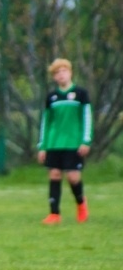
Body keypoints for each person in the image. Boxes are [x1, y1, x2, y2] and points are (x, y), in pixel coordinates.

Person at [37, 58, 92, 224]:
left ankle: (81, 203)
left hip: (74, 143)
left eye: (63, 71)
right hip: (54, 143)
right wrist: (42, 146)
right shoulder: (52, 97)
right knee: (54, 174)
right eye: (57, 73)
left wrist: (86, 141)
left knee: (73, 177)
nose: (61, 75)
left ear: (70, 72)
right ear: (54, 77)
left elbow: (87, 117)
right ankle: (54, 214)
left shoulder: (81, 94)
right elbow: (46, 122)